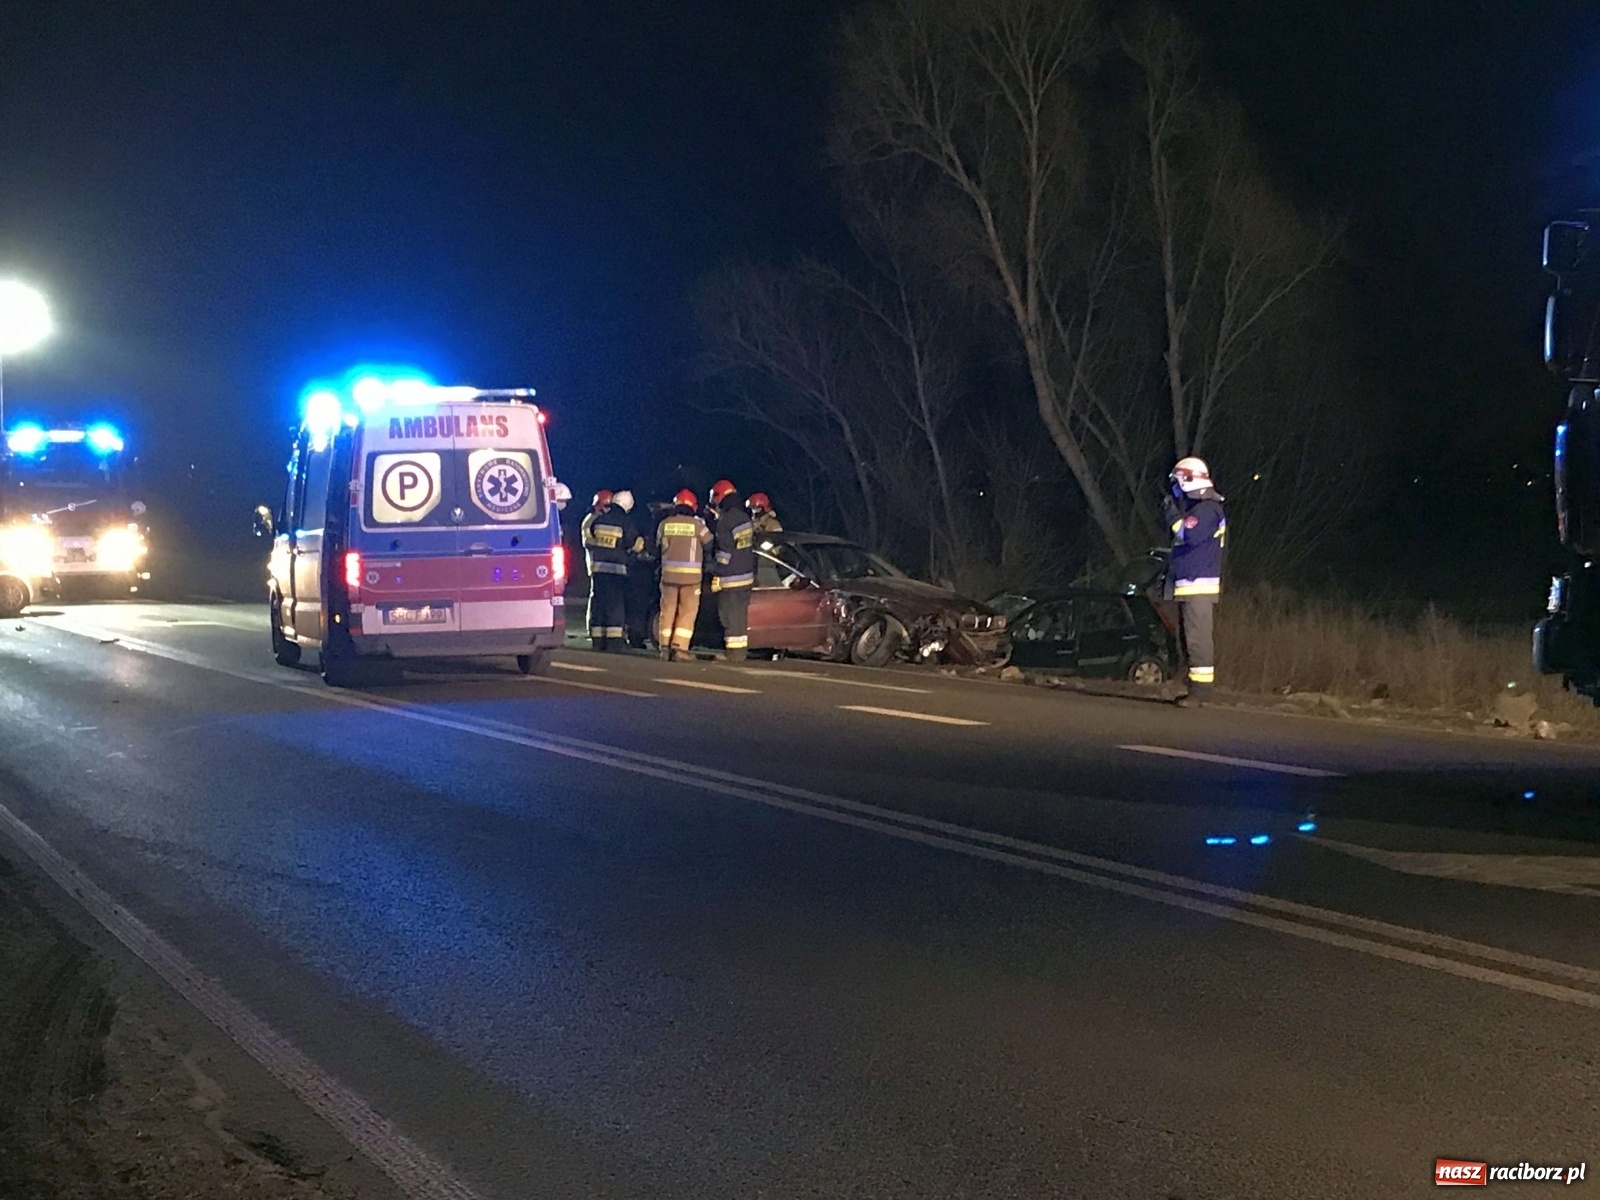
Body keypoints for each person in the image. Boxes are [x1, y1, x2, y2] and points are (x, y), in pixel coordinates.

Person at [1163, 456, 1226, 707]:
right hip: (1190, 584)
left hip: (1198, 585)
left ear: (1189, 480)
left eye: (1178, 483)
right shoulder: (1201, 509)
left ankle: (1200, 693)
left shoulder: (1207, 510)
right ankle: (1193, 687)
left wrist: (1171, 515)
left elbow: (1188, 535)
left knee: (1197, 639)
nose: (1176, 489)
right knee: (1189, 638)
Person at [656, 488, 713, 661]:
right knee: (687, 612)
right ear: (693, 507)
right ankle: (679, 649)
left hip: (668, 577)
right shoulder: (697, 525)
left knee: (667, 611)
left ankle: (664, 648)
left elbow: (658, 544)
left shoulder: (664, 524)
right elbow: (710, 543)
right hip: (691, 578)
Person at [582, 490, 638, 651]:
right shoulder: (625, 521)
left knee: (598, 603)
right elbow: (635, 544)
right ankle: (614, 642)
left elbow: (590, 541)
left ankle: (598, 640)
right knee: (615, 605)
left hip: (598, 568)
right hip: (616, 569)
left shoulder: (598, 519)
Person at [708, 478, 755, 661]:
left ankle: (733, 653)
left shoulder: (726, 520)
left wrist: (715, 570)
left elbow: (724, 552)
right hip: (746, 575)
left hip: (731, 576)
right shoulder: (744, 518)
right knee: (740, 615)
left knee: (728, 614)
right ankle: (740, 652)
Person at [613, 489, 654, 648]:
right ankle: (635, 637)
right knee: (637, 604)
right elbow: (637, 545)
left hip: (622, 568)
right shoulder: (630, 522)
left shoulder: (605, 519)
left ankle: (623, 635)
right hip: (637, 569)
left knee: (621, 603)